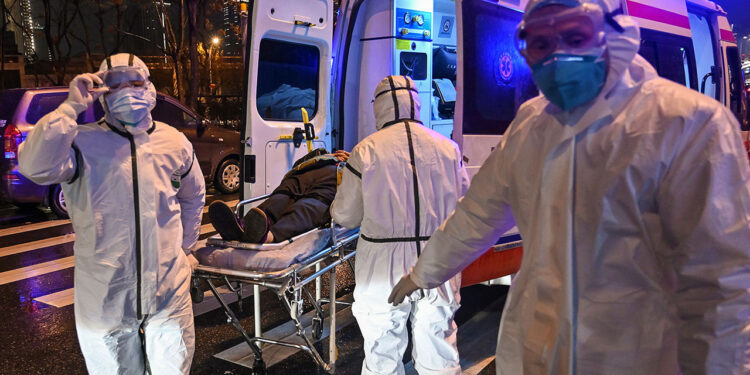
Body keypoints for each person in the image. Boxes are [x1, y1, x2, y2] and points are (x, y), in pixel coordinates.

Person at [389, 0, 750, 373]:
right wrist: (424, 272)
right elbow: (477, 214)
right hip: (534, 350)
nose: (557, 55)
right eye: (540, 43)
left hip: (637, 357)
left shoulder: (687, 124)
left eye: (575, 35)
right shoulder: (531, 126)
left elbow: (720, 286)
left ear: (612, 32)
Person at [18, 53, 205, 374]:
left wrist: (185, 250)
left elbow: (193, 197)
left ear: (150, 87)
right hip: (106, 297)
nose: (129, 92)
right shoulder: (80, 144)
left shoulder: (174, 141)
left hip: (168, 294)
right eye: (116, 85)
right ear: (102, 92)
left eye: (136, 82)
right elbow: (35, 166)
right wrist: (69, 108)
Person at [332, 75, 469, 375]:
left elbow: (345, 215)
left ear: (378, 107)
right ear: (416, 103)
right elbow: (466, 205)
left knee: (383, 351)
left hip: (383, 262)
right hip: (437, 259)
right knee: (440, 349)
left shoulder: (366, 151)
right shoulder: (449, 149)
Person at [209, 148, 350, 243]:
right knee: (280, 198)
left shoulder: (357, 168)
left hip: (333, 182)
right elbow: (296, 165)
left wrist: (354, 163)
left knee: (310, 205)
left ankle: (268, 236)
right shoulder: (321, 154)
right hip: (302, 174)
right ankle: (244, 227)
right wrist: (327, 156)